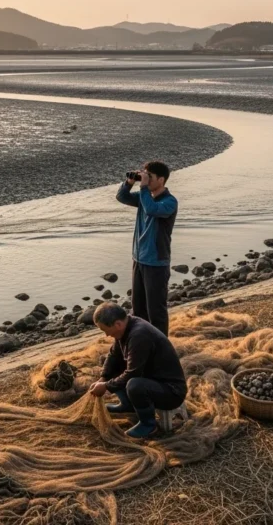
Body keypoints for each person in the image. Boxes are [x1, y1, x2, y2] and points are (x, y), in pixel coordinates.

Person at [88, 302, 187, 439]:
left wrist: (106, 387)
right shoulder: (125, 328)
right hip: (153, 379)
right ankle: (128, 404)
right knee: (115, 365)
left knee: (134, 385)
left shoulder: (139, 335)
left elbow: (133, 373)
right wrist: (103, 378)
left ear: (118, 324)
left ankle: (148, 424)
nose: (106, 335)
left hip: (171, 391)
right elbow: (113, 355)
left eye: (105, 330)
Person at [116, 161, 178, 336]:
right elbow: (122, 197)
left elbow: (151, 210)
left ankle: (161, 349)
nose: (146, 179)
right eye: (145, 175)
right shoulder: (145, 197)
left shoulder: (169, 202)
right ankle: (141, 343)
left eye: (149, 177)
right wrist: (129, 183)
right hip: (139, 259)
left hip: (156, 262)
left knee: (156, 311)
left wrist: (143, 188)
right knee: (139, 310)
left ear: (161, 179)